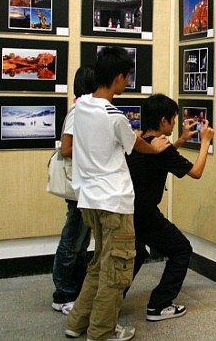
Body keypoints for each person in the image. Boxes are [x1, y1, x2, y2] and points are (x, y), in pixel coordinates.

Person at [64, 47, 170, 341]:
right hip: (114, 203)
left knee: (99, 264)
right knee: (117, 271)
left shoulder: (80, 107)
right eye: (127, 77)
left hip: (89, 200)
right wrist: (156, 148)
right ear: (119, 77)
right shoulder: (114, 116)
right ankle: (101, 330)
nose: (128, 82)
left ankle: (77, 322)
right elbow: (136, 144)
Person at [124, 93, 214, 321]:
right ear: (163, 121)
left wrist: (181, 140)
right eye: (173, 119)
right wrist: (205, 142)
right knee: (181, 249)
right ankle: (159, 305)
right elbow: (196, 172)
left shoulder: (141, 141)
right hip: (146, 214)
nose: (175, 123)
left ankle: (110, 300)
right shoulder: (161, 150)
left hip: (129, 211)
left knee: (136, 254)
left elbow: (159, 158)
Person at [51, 66, 97, 315]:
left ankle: (74, 291)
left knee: (80, 242)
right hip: (78, 184)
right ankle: (63, 294)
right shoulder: (78, 111)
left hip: (86, 184)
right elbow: (66, 149)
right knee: (72, 241)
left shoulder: (85, 110)